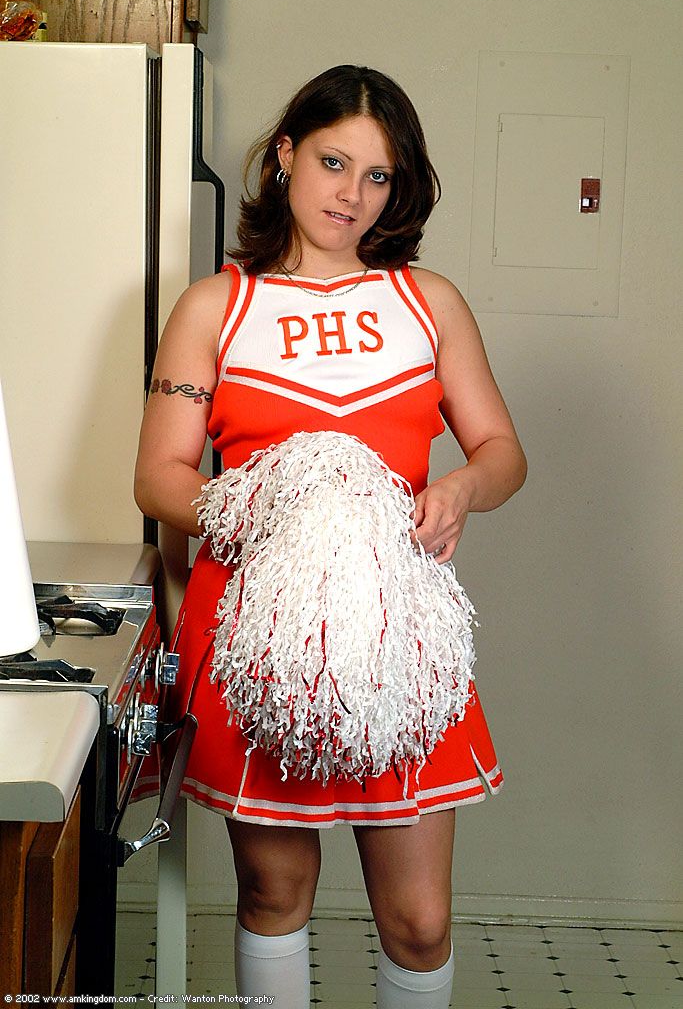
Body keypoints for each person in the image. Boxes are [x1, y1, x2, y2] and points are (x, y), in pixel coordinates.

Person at [134, 64, 527, 1009]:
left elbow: (501, 451)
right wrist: (261, 506)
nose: (351, 193)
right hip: (257, 635)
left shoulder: (427, 301)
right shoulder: (215, 305)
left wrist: (461, 489)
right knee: (274, 893)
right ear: (285, 156)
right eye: (332, 162)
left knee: (418, 922)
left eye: (378, 175)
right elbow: (159, 477)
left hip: (397, 636)